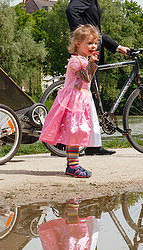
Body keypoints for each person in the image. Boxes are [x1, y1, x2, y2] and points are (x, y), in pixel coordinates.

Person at [66, 0, 130, 156]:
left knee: (90, 98)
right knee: (83, 98)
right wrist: (83, 38)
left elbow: (97, 31)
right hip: (87, 55)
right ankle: (70, 143)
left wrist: (117, 47)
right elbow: (71, 11)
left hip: (89, 52)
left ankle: (91, 144)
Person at [39, 25, 102, 178]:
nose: (93, 46)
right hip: (74, 101)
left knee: (79, 131)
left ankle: (73, 164)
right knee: (74, 131)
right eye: (89, 43)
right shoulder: (76, 61)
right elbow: (86, 77)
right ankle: (72, 165)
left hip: (82, 99)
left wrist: (91, 63)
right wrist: (93, 63)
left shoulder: (83, 60)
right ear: (78, 44)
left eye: (95, 43)